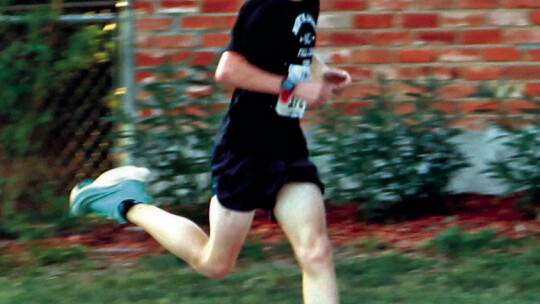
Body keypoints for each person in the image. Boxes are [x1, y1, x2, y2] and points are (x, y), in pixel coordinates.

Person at [69, 0, 351, 303]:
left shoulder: (307, 3)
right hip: (246, 149)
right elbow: (229, 70)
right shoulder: (264, 7)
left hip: (287, 145)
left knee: (316, 252)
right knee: (214, 263)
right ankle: (126, 201)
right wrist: (292, 88)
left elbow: (294, 50)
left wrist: (321, 72)